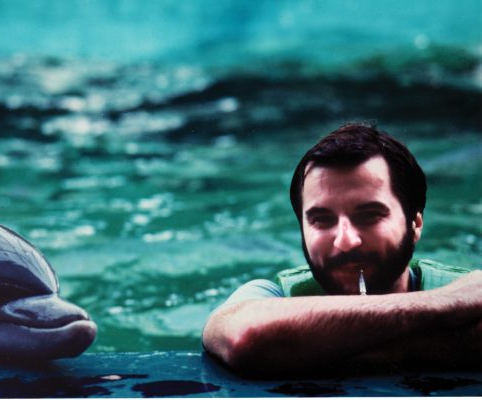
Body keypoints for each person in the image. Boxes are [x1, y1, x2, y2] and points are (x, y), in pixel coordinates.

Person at [202, 123, 481, 376]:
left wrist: (295, 345)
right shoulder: (275, 295)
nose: (345, 241)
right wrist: (445, 306)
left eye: (370, 215)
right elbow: (243, 337)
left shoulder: (463, 286)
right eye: (321, 220)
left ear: (415, 224)